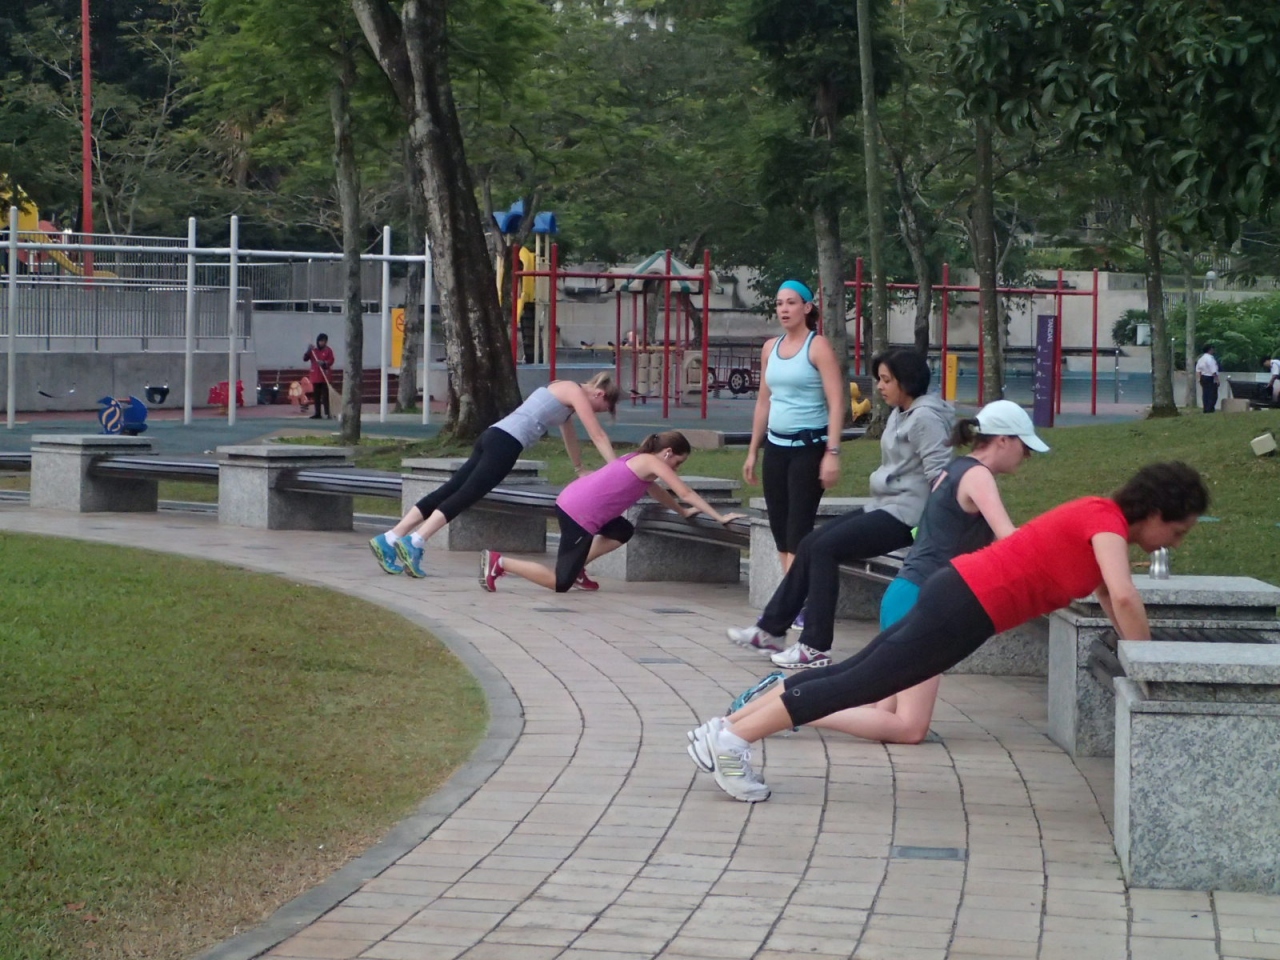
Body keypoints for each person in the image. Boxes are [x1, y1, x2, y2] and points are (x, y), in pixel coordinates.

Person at [688, 461, 1209, 802]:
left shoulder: (1100, 522)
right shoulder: (1107, 521)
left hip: (961, 597)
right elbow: (1125, 597)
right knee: (860, 684)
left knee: (855, 673)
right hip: (965, 603)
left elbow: (1110, 599)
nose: (1177, 543)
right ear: (1155, 512)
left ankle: (724, 728)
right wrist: (1151, 668)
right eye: (1178, 530)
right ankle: (733, 740)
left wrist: (1139, 651)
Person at [723, 399, 1047, 746]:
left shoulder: (954, 470)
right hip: (925, 601)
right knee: (909, 727)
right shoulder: (978, 475)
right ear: (1003, 440)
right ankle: (788, 709)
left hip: (906, 593)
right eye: (1025, 446)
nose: (1027, 456)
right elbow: (1009, 539)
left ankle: (767, 706)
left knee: (881, 709)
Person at [728, 348, 954, 669]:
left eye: (886, 380)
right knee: (811, 543)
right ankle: (771, 631)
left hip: (908, 517)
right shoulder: (901, 412)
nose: (880, 386)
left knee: (825, 549)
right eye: (879, 379)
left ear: (907, 381)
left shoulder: (925, 419)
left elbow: (941, 478)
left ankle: (815, 646)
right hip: (885, 505)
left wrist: (932, 531)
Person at [370, 374, 621, 578]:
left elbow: (570, 436)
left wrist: (579, 468)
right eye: (601, 409)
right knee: (466, 494)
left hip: (494, 435)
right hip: (506, 444)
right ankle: (416, 541)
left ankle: (390, 538)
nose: (596, 412)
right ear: (600, 394)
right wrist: (619, 470)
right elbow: (597, 435)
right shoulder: (574, 391)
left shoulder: (563, 392)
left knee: (452, 489)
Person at [479, 431, 745, 593]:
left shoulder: (638, 459)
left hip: (573, 502)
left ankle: (578, 567)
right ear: (667, 453)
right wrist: (720, 517)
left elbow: (657, 492)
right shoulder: (652, 462)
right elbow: (685, 492)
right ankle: (500, 562)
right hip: (578, 514)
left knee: (622, 529)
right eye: (678, 461)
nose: (677, 467)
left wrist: (682, 512)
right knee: (560, 582)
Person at [742, 280, 847, 575]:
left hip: (809, 448)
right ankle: (791, 593)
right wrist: (753, 451)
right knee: (779, 528)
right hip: (776, 448)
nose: (784, 309)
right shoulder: (770, 348)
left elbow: (837, 402)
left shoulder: (818, 346)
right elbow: (764, 402)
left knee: (798, 529)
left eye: (791, 303)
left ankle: (792, 596)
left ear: (807, 307)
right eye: (779, 304)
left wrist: (832, 453)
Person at [304, 334, 336, 420]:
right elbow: (305, 359)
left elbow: (331, 360)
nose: (322, 343)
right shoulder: (313, 351)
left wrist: (324, 363)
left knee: (326, 396)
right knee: (316, 396)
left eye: (324, 341)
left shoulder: (328, 350)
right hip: (316, 376)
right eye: (321, 341)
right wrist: (308, 351)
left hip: (325, 377)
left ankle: (327, 413)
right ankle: (317, 413)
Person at [1195, 344, 1220, 413]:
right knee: (1212, 394)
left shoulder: (1201, 359)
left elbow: (1198, 370)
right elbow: (1213, 370)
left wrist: (1199, 378)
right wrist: (1217, 380)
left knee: (1205, 393)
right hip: (1210, 377)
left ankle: (1206, 408)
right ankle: (1210, 408)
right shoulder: (1210, 359)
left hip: (1203, 377)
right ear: (1210, 350)